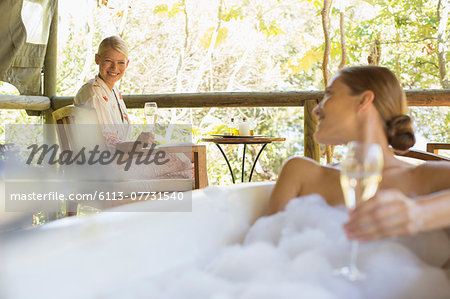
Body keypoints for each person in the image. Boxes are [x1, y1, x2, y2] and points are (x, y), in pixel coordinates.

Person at [268, 66, 450, 241]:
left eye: (329, 94)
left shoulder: (426, 178)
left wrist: (418, 214)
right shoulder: (301, 173)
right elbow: (267, 251)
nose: (316, 110)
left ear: (363, 101)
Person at [73, 36, 192, 180]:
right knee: (191, 154)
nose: (114, 68)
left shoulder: (113, 92)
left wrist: (139, 144)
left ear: (127, 64)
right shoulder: (94, 93)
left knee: (189, 152)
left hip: (117, 162)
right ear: (97, 59)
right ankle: (203, 201)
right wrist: (136, 144)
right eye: (108, 61)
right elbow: (107, 146)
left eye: (120, 62)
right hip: (108, 169)